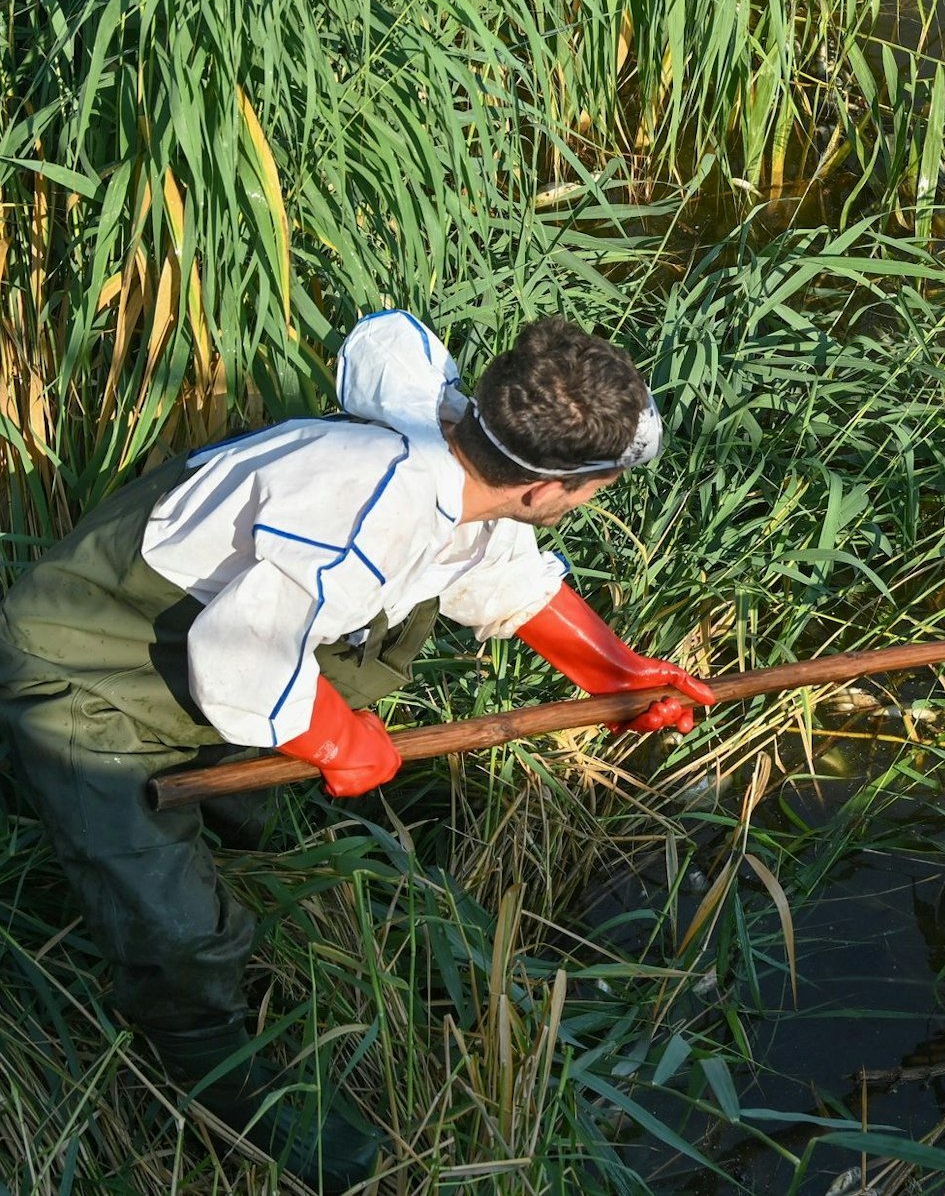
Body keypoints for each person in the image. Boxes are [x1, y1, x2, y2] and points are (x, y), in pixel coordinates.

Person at [0, 312, 714, 1189]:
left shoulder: (459, 449)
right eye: (598, 483)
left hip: (190, 660)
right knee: (179, 929)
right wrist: (340, 738)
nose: (595, 496)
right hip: (90, 671)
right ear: (545, 489)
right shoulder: (368, 501)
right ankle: (215, 1073)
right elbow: (235, 659)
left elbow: (495, 570)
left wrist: (619, 673)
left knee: (245, 799)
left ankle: (215, 806)